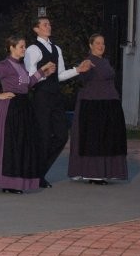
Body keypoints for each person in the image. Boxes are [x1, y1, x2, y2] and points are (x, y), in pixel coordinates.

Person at [0, 36, 55, 194]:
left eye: (24, 46)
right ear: (11, 48)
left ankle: (16, 182)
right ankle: (7, 183)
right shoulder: (4, 66)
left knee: (21, 144)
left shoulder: (20, 66)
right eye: (21, 46)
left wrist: (43, 71)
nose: (24, 49)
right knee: (10, 145)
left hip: (23, 106)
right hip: (10, 107)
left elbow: (27, 83)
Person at [24, 16, 92, 188]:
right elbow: (29, 77)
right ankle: (36, 176)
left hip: (55, 96)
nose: (49, 26)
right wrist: (43, 72)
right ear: (36, 29)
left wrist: (78, 69)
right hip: (41, 96)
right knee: (43, 137)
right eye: (44, 24)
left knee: (62, 136)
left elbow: (60, 75)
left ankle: (38, 173)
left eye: (49, 24)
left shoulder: (56, 49)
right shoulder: (33, 49)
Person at [68, 34, 128, 185]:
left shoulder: (105, 61)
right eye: (97, 43)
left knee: (109, 139)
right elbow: (82, 80)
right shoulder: (88, 61)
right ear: (90, 45)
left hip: (109, 104)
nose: (101, 46)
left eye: (103, 43)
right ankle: (94, 174)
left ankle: (108, 171)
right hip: (93, 105)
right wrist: (83, 69)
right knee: (94, 140)